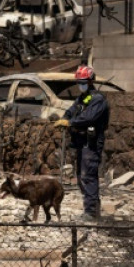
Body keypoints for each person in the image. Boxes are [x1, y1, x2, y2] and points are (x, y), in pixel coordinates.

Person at [54, 65, 110, 221]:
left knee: (88, 176)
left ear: (90, 81)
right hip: (82, 142)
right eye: (79, 81)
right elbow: (74, 109)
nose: (81, 84)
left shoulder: (98, 99)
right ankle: (93, 210)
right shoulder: (85, 97)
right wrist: (65, 117)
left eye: (83, 81)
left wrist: (70, 123)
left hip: (91, 142)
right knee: (81, 175)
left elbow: (88, 118)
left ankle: (91, 213)